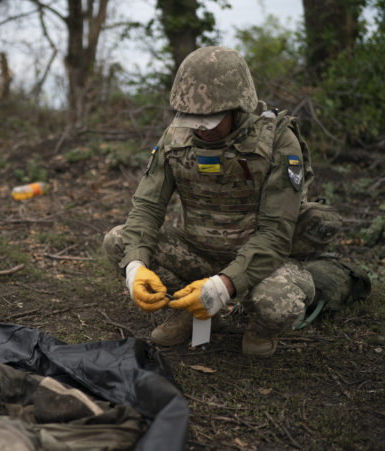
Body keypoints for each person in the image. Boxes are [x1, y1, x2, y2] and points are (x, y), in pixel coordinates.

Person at [103, 46, 370, 357]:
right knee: (119, 241)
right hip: (199, 252)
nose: (201, 127)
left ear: (238, 108)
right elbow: (147, 208)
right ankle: (191, 310)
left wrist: (224, 286)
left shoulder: (278, 141)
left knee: (278, 304)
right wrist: (136, 266)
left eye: (211, 118)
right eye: (192, 118)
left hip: (264, 262)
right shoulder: (174, 138)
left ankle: (258, 325)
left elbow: (274, 233)